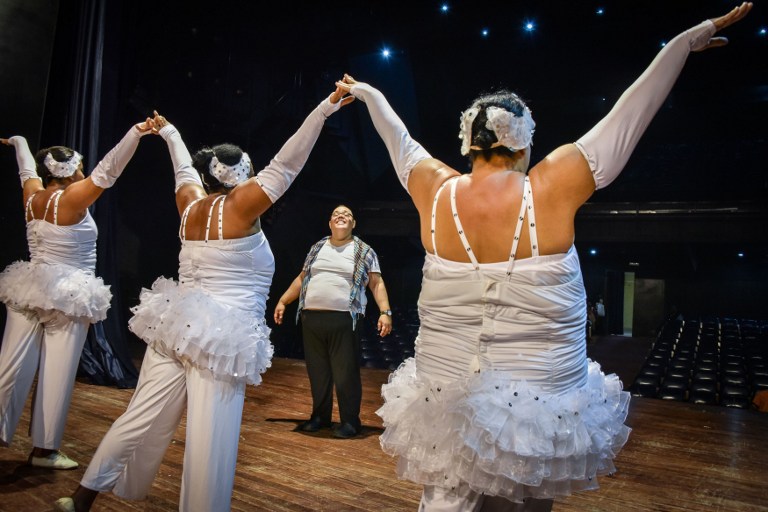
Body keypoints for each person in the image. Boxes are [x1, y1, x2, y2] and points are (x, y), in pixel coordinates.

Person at [335, 4, 752, 510]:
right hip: (537, 405)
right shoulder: (553, 184)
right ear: (523, 142)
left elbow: (396, 137)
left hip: (444, 396)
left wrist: (367, 93)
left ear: (469, 142)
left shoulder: (433, 188)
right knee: (526, 500)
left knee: (447, 494)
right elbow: (629, 115)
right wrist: (682, 44)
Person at [54, 87, 353, 512]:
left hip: (176, 326)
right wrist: (323, 110)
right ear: (241, 175)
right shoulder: (243, 206)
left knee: (138, 418)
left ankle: (82, 498)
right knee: (211, 439)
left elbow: (183, 172)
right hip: (221, 339)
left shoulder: (190, 206)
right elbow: (288, 163)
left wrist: (171, 134)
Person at [0, 121, 152, 469]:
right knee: (58, 370)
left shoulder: (33, 193)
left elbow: (26, 167)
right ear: (69, 172)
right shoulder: (73, 197)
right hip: (67, 294)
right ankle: (44, 450)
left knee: (9, 366)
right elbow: (109, 169)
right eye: (79, 165)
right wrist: (136, 133)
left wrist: (19, 142)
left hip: (29, 287)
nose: (84, 169)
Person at [273, 205, 393, 439]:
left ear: (353, 224)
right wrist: (283, 301)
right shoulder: (317, 247)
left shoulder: (363, 250)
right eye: (336, 214)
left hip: (345, 320)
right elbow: (302, 277)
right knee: (318, 372)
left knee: (345, 373)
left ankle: (350, 422)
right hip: (312, 319)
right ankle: (320, 417)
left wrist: (385, 312)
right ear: (330, 223)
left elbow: (376, 283)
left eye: (347, 214)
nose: (341, 216)